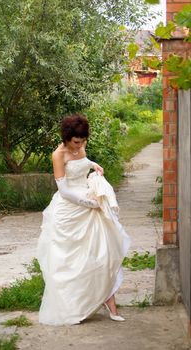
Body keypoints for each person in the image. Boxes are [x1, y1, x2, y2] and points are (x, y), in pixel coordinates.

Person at [36, 114, 130, 326]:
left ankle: (109, 301)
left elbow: (83, 162)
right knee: (70, 262)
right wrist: (90, 204)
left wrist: (94, 165)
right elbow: (64, 189)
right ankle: (75, 305)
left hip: (88, 202)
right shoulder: (58, 155)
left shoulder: (80, 147)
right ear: (67, 138)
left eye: (83, 141)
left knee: (102, 255)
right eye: (76, 142)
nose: (80, 146)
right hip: (70, 208)